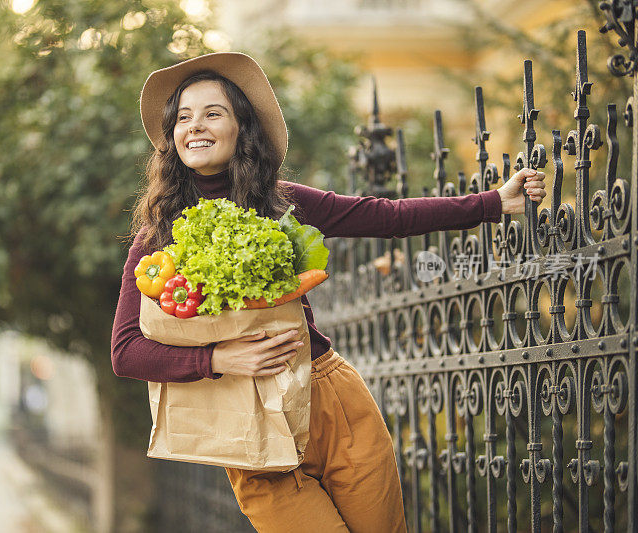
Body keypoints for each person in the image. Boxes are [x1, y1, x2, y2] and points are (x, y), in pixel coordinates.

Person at [111, 52, 546, 532]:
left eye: (214, 113)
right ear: (172, 137)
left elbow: (387, 216)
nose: (196, 126)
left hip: (331, 401)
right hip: (248, 432)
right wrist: (217, 359)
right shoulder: (157, 237)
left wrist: (490, 203)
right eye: (184, 118)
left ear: (241, 128)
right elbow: (126, 351)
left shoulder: (281, 203)